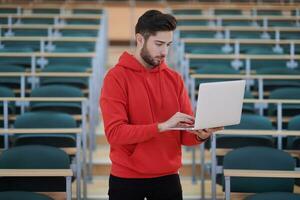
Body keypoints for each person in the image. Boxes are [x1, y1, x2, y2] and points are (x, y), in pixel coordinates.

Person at [100, 9, 222, 200]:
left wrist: (200, 134)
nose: (164, 51)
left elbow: (185, 136)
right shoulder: (116, 78)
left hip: (168, 178)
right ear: (140, 39)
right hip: (127, 179)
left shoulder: (175, 79)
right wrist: (161, 127)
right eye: (158, 44)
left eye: (168, 44)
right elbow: (115, 134)